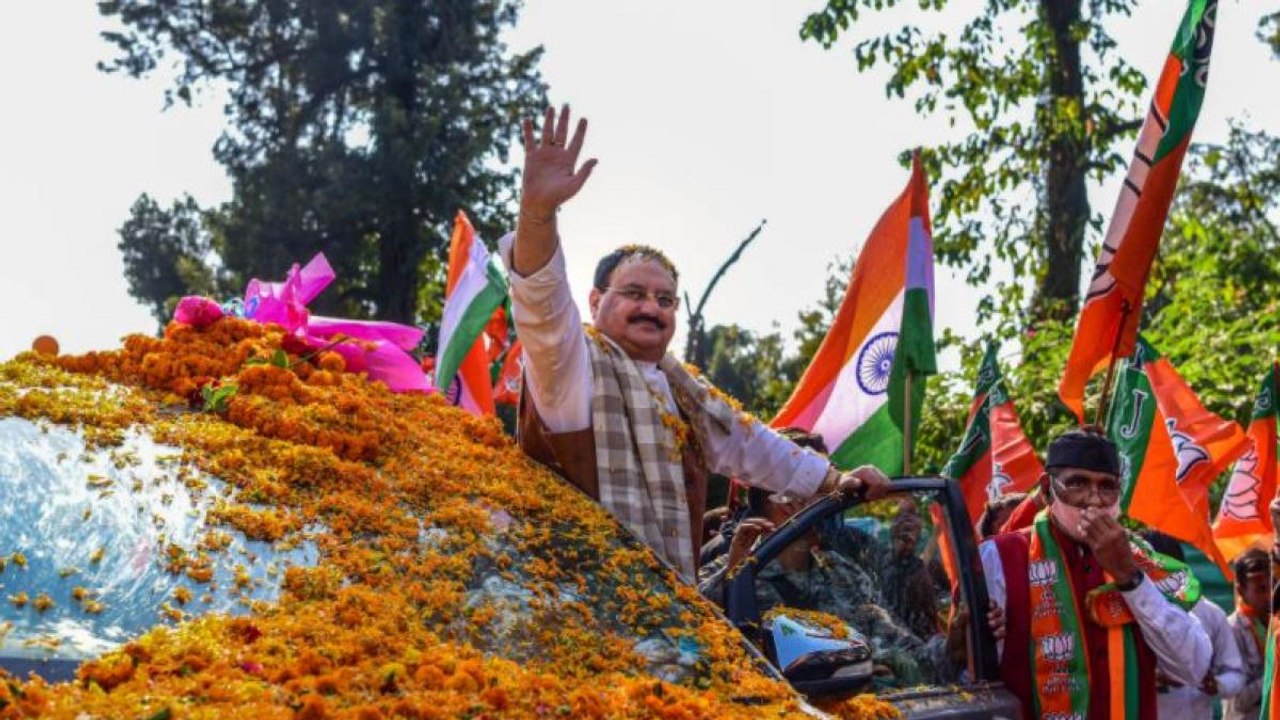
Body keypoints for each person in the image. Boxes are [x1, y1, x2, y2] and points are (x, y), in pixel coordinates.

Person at [501, 104, 889, 580]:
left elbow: (753, 445)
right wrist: (537, 215)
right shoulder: (570, 363)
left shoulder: (685, 392)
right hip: (580, 604)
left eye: (665, 299)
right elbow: (541, 304)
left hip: (667, 614)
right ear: (596, 299)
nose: (652, 307)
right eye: (635, 294)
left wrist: (833, 479)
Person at [979, 427, 1212, 719]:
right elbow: (975, 672)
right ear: (1049, 488)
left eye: (1107, 486)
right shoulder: (999, 557)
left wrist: (1129, 576)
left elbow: (1193, 665)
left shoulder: (1143, 558)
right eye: (1077, 483)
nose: (1094, 499)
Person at [697, 489, 947, 686]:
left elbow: (902, 644)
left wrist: (950, 650)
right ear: (787, 504)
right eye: (823, 492)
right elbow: (688, 634)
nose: (836, 500)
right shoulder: (727, 573)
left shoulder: (842, 572)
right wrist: (736, 574)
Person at [1140, 532, 1246, 720]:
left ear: (1180, 570)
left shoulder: (1211, 614)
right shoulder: (1125, 615)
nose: (1158, 580)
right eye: (1150, 573)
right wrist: (1150, 677)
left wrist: (1214, 684)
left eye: (1164, 572)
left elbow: (1235, 674)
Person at [1223, 548, 1270, 720]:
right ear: (1241, 591)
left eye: (1272, 586)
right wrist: (1274, 672)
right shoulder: (1233, 628)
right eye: (1260, 589)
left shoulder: (1274, 622)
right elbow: (1240, 701)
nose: (1268, 595)